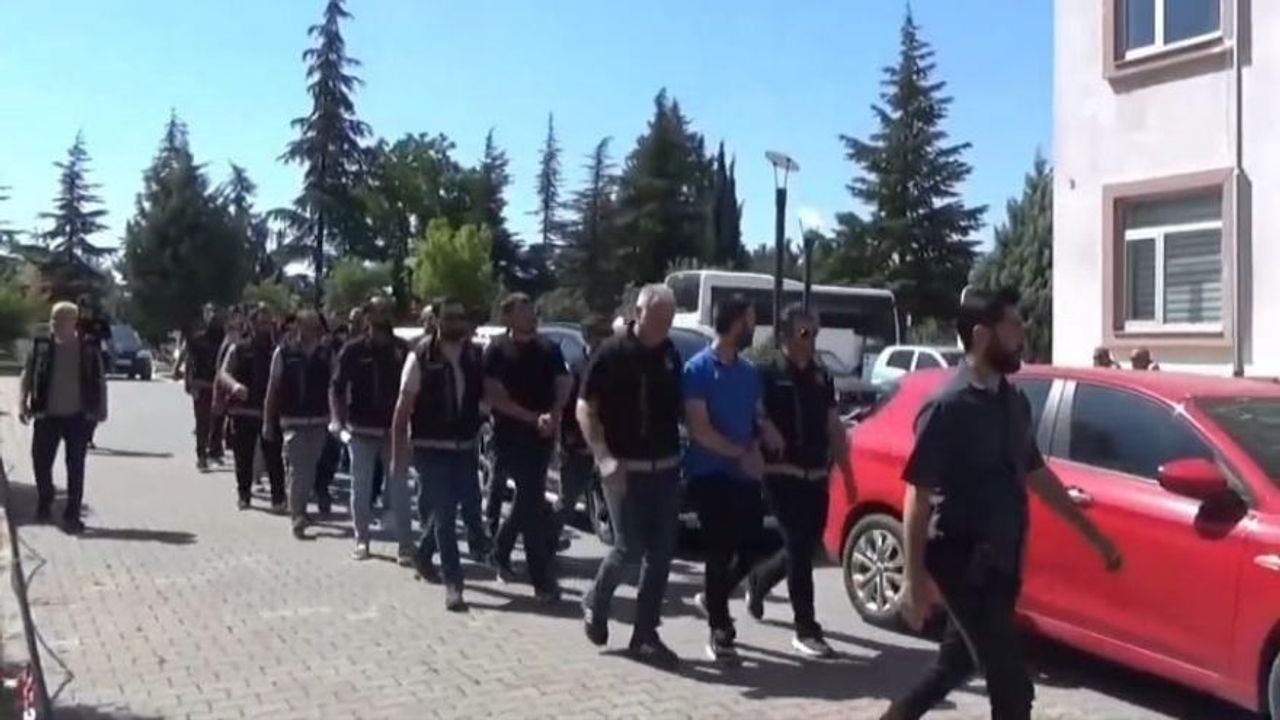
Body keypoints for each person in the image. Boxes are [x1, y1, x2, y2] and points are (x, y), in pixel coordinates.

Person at [882, 288, 1123, 720]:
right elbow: (917, 495)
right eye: (1012, 326)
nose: (1021, 335)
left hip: (1003, 560)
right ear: (981, 335)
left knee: (954, 664)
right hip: (960, 559)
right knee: (1013, 688)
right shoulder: (947, 407)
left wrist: (1096, 539)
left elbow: (1037, 474)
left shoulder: (1013, 402)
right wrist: (913, 580)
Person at [578, 285, 684, 666]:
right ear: (639, 314)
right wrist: (603, 457)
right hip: (624, 470)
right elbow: (584, 408)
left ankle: (645, 634)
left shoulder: (670, 354)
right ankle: (596, 600)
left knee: (661, 553)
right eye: (658, 319)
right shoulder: (612, 354)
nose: (663, 326)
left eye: (669, 319)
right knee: (629, 548)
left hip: (666, 469)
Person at [748, 304, 856, 658]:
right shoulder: (767, 373)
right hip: (781, 474)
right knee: (797, 546)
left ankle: (760, 580)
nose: (812, 339)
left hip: (816, 473)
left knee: (805, 547)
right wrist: (765, 429)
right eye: (805, 332)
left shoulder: (821, 376)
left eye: (815, 332)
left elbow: (833, 425)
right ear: (785, 334)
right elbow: (754, 414)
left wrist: (847, 473)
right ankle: (806, 628)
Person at [683, 294, 771, 665]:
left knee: (754, 546)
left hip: (744, 475)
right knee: (718, 551)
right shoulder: (697, 370)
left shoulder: (750, 372)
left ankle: (712, 596)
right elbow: (699, 429)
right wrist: (739, 453)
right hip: (709, 474)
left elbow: (756, 416)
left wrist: (764, 438)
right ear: (736, 323)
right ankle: (719, 629)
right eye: (750, 320)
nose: (754, 327)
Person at [392, 297, 491, 610]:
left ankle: (423, 555)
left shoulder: (474, 355)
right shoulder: (421, 356)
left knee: (457, 506)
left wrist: (483, 411)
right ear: (436, 321)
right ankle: (454, 585)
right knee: (445, 515)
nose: (456, 323)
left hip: (464, 446)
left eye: (460, 317)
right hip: (430, 447)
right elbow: (403, 408)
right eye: (449, 317)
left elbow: (486, 394)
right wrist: (398, 454)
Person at [483, 292, 571, 603]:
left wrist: (554, 414)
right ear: (508, 317)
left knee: (529, 500)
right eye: (522, 312)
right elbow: (494, 395)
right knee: (531, 504)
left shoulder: (548, 348)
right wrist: (533, 418)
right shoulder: (496, 349)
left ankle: (500, 551)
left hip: (540, 438)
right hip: (509, 436)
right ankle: (542, 581)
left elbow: (564, 382)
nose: (530, 316)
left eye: (531, 310)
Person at [332, 297, 414, 563]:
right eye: (376, 312)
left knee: (399, 488)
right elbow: (336, 387)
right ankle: (362, 540)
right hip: (361, 430)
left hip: (393, 432)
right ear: (367, 317)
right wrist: (337, 421)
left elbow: (414, 389)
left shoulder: (402, 349)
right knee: (361, 488)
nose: (381, 317)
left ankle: (405, 545)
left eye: (385, 312)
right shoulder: (353, 350)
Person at [19, 301, 108, 534]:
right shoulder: (42, 345)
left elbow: (100, 378)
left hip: (78, 415)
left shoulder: (87, 347)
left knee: (75, 465)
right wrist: (22, 402)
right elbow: (27, 374)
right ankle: (45, 498)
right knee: (40, 460)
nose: (54, 323)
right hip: (47, 413)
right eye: (53, 319)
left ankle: (72, 513)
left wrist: (102, 408)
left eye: (59, 319)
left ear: (72, 322)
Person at [264, 310, 332, 539]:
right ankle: (297, 517)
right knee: (297, 468)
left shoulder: (325, 354)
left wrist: (336, 417)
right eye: (308, 325)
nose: (313, 330)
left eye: (315, 326)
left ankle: (299, 507)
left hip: (319, 421)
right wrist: (267, 422)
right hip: (292, 421)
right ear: (299, 326)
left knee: (309, 469)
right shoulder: (284, 353)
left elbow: (335, 387)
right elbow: (272, 389)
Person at [219, 306, 286, 511]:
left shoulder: (278, 351)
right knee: (243, 457)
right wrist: (234, 386)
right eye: (260, 322)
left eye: (267, 323)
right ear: (251, 324)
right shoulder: (238, 349)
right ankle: (244, 495)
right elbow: (223, 374)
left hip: (270, 413)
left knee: (274, 457)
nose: (264, 327)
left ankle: (278, 499)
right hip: (243, 410)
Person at [175, 304, 225, 471]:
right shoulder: (198, 340)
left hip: (219, 385)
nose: (213, 318)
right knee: (202, 421)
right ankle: (201, 454)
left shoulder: (225, 341)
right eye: (210, 314)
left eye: (216, 314)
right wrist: (188, 382)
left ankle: (214, 450)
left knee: (216, 421)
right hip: (202, 384)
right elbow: (190, 361)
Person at [75, 295, 111, 451]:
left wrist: (96, 335)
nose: (86, 311)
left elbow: (107, 336)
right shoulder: (74, 321)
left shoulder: (99, 322)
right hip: (75, 362)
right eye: (83, 308)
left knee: (95, 399)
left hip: (95, 363)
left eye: (88, 308)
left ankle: (89, 436)